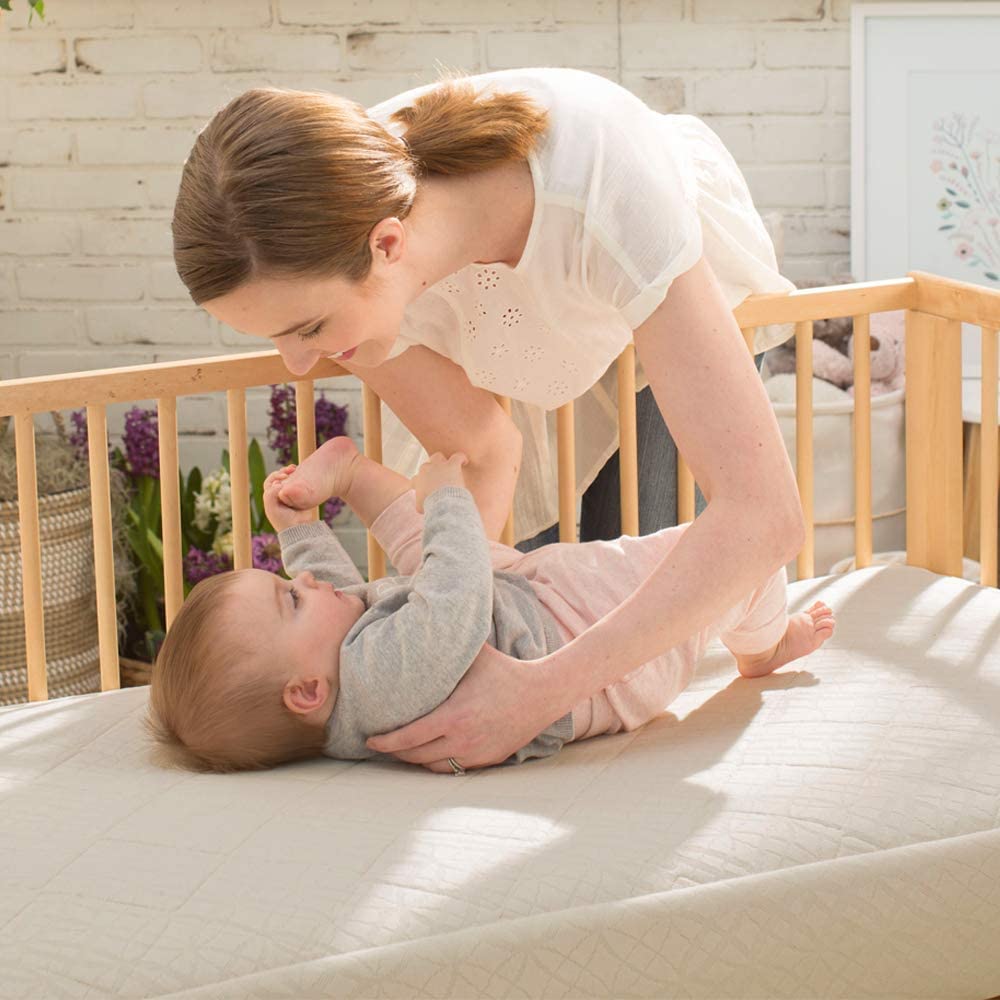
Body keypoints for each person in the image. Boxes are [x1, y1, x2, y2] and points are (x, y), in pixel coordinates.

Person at [171, 66, 806, 774]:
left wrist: (541, 689)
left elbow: (767, 518)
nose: (297, 365)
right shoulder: (334, 234)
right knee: (570, 578)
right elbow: (478, 447)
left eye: (309, 326)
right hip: (463, 277)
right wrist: (476, 627)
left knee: (680, 551)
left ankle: (764, 635)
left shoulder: (613, 196)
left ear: (386, 245)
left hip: (617, 259)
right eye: (277, 338)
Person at [145, 437, 833, 775]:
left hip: (520, 608)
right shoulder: (378, 681)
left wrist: (299, 530)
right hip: (582, 639)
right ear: (303, 691)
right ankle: (763, 643)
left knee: (414, 542)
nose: (309, 585)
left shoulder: (341, 680)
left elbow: (343, 594)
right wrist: (446, 496)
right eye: (290, 599)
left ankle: (351, 472)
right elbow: (455, 604)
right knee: (724, 555)